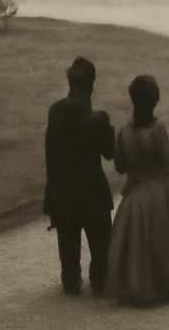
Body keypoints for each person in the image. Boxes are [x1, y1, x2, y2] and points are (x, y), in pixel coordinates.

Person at [104, 75, 169, 306]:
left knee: (135, 240)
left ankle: (137, 284)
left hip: (134, 191)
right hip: (159, 189)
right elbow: (167, 160)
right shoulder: (157, 129)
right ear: (155, 100)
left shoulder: (124, 131)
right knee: (161, 236)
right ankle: (165, 283)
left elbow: (120, 166)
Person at [42, 57, 116, 297]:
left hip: (65, 191)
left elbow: (50, 155)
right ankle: (100, 280)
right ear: (91, 85)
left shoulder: (56, 113)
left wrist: (52, 193)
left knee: (68, 245)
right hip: (92, 191)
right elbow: (110, 152)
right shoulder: (98, 120)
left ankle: (71, 280)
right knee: (101, 244)